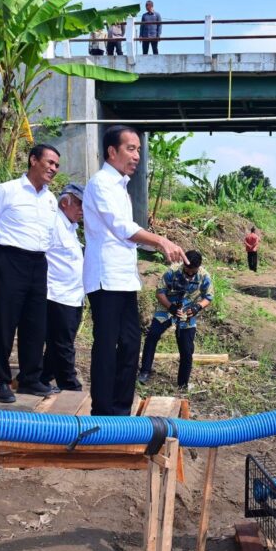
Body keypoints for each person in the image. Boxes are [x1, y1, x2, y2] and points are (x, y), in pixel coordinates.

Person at [83, 125, 186, 416]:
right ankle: (103, 411)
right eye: (131, 148)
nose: (137, 155)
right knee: (107, 344)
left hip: (124, 278)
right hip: (105, 278)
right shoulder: (101, 183)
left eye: (139, 149)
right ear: (112, 151)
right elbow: (121, 228)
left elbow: (125, 232)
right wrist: (161, 240)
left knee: (130, 342)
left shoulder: (121, 187)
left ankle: (120, 408)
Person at [0, 144, 60, 403]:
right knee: (4, 321)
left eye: (57, 165)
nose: (53, 169)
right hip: (9, 259)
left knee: (36, 323)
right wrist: (0, 256)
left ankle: (30, 378)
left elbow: (50, 234)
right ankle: (2, 380)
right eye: (49, 162)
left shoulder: (50, 198)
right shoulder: (7, 190)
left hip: (38, 262)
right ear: (33, 160)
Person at [137, 250, 214, 391]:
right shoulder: (171, 272)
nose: (189, 275)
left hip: (187, 311)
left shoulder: (204, 276)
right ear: (184, 264)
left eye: (193, 272)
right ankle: (145, 371)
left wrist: (197, 307)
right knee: (152, 336)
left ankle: (182, 383)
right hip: (166, 307)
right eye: (187, 271)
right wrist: (171, 307)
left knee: (187, 348)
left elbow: (208, 296)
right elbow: (159, 292)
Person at [40, 183, 86, 393]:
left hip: (73, 295)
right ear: (65, 202)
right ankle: (69, 383)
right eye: (79, 204)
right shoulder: (54, 223)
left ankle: (44, 375)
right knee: (63, 342)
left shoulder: (70, 227)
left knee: (59, 341)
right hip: (58, 294)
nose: (82, 210)